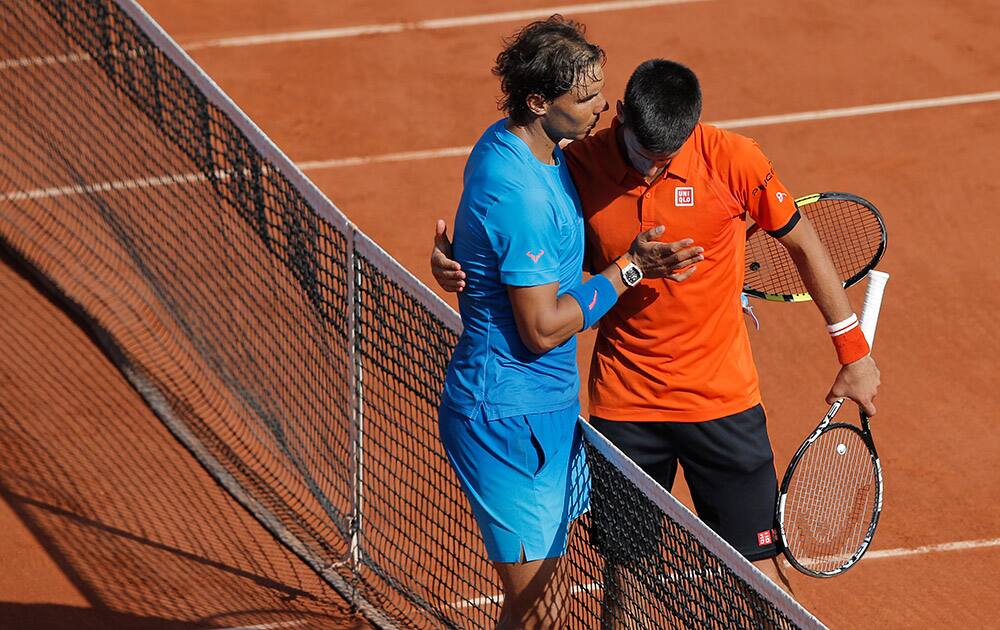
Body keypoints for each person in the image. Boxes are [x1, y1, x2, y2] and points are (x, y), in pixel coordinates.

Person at [432, 58, 880, 597]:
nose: (649, 170)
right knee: (625, 577)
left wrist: (853, 353)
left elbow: (805, 243)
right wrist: (461, 266)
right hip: (626, 407)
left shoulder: (735, 160)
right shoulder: (579, 164)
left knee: (760, 576)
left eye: (664, 159)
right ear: (619, 115)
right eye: (642, 152)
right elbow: (518, 228)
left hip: (722, 402)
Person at [436, 22, 701, 629]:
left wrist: (459, 264)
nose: (602, 108)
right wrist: (629, 270)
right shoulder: (520, 193)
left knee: (539, 609)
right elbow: (543, 329)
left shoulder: (523, 146)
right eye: (585, 98)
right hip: (506, 418)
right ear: (539, 102)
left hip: (545, 411)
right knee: (541, 616)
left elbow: (493, 252)